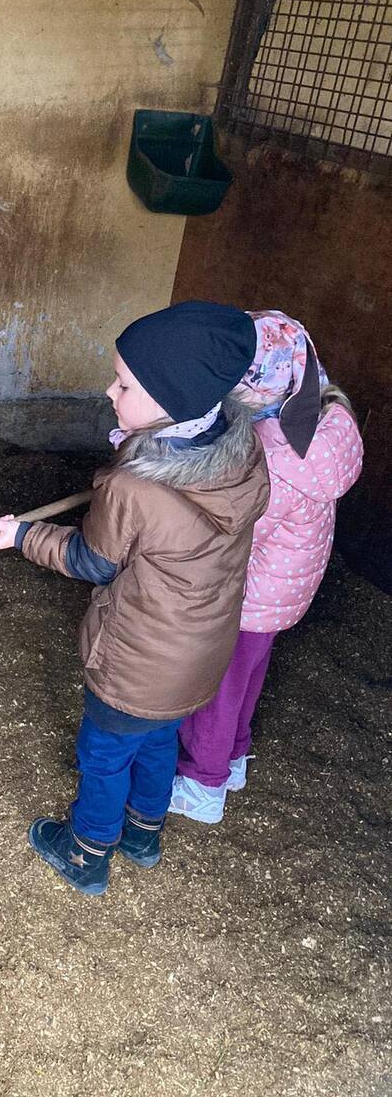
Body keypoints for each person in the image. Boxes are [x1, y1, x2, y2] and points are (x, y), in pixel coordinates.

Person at [0, 300, 270, 897]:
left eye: (124, 384)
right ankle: (143, 834)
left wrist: (22, 536)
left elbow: (92, 561)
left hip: (139, 663)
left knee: (105, 756)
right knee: (159, 740)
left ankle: (86, 852)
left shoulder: (131, 487)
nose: (109, 392)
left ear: (171, 401)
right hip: (200, 656)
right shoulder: (243, 454)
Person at [170, 310, 363, 824]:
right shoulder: (320, 425)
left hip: (249, 593)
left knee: (215, 687)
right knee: (246, 680)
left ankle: (203, 784)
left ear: (259, 389)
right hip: (283, 591)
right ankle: (234, 757)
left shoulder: (274, 457)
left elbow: (239, 530)